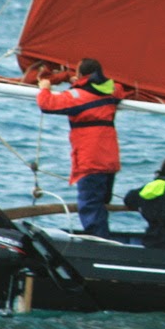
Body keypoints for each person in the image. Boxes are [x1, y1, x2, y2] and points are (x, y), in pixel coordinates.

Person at [36, 58, 122, 237]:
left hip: (90, 159)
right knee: (101, 202)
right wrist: (80, 82)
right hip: (109, 159)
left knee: (90, 204)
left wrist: (44, 87)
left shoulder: (77, 96)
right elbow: (118, 89)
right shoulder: (112, 90)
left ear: (82, 75)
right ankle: (104, 238)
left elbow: (47, 104)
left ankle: (99, 244)